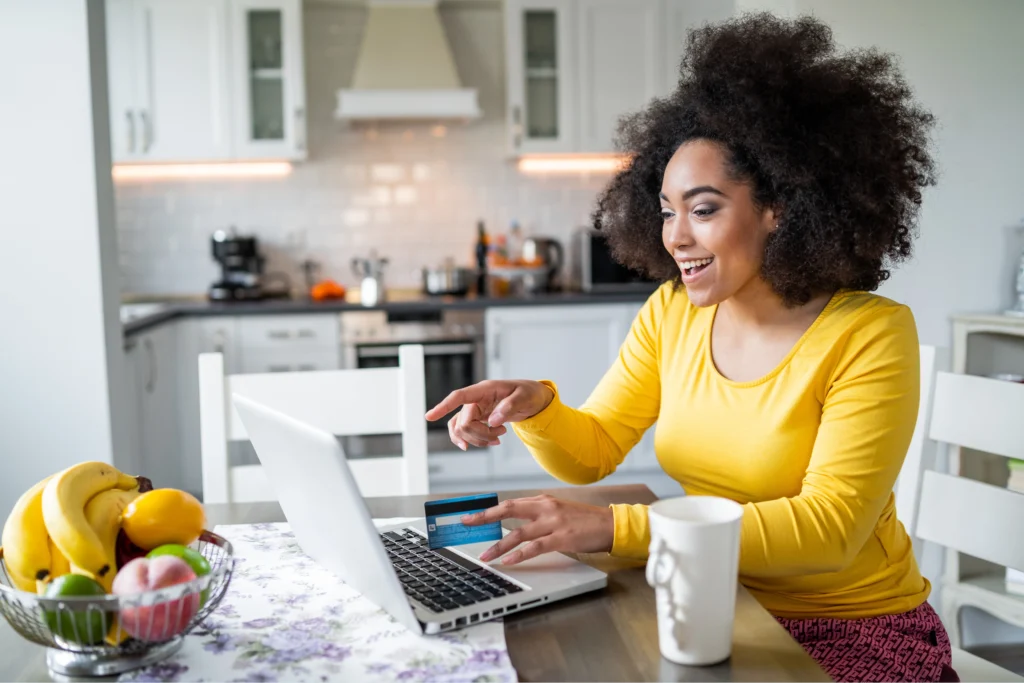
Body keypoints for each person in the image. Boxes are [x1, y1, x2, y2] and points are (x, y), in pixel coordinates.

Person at [425, 12, 949, 683]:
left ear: (778, 208)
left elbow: (829, 529)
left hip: (850, 631)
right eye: (667, 209)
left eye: (703, 209)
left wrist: (619, 529)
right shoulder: (673, 311)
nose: (675, 236)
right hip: (712, 599)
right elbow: (593, 450)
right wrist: (533, 408)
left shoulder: (869, 333)